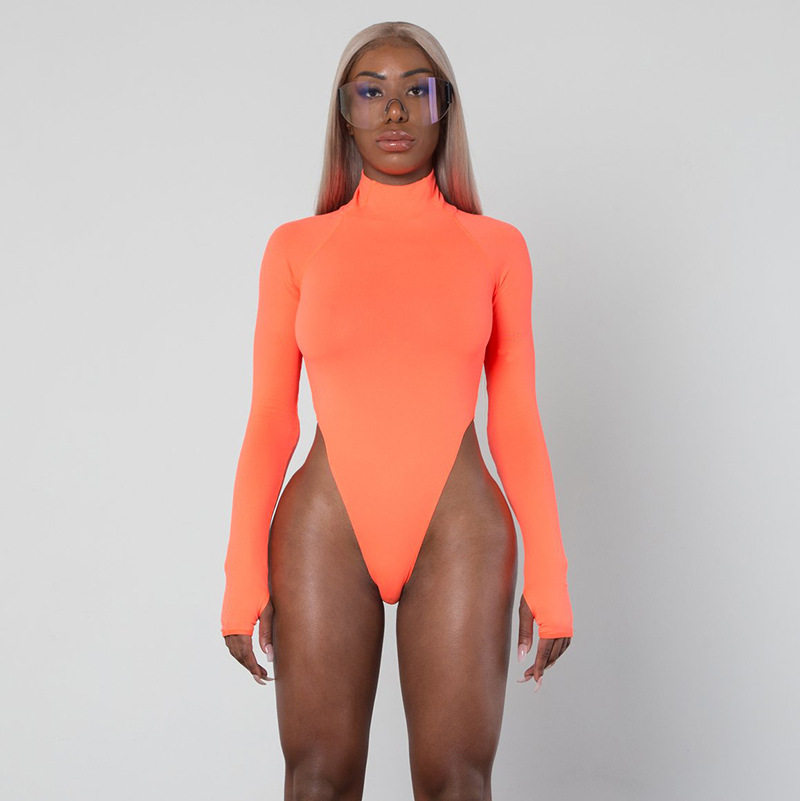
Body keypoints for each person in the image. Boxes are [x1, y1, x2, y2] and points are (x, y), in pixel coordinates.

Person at [221, 20, 573, 799]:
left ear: (445, 108)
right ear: (344, 112)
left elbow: (516, 417)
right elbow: (271, 419)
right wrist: (241, 574)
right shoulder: (295, 248)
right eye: (370, 92)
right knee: (316, 781)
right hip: (323, 528)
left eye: (417, 91)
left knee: (456, 782)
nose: (393, 110)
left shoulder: (497, 248)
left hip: (461, 529)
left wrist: (550, 574)